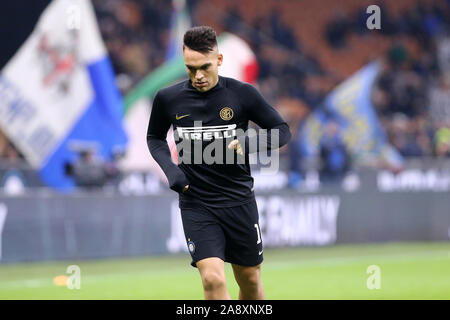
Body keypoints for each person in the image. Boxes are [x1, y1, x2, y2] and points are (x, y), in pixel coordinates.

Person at [147, 26, 291, 300]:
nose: (198, 76)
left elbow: (283, 130)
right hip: (197, 202)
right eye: (190, 69)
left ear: (220, 60)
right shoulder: (168, 98)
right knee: (212, 280)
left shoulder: (242, 94)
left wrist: (251, 143)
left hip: (238, 200)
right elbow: (154, 137)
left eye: (205, 67)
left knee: (249, 279)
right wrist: (171, 171)